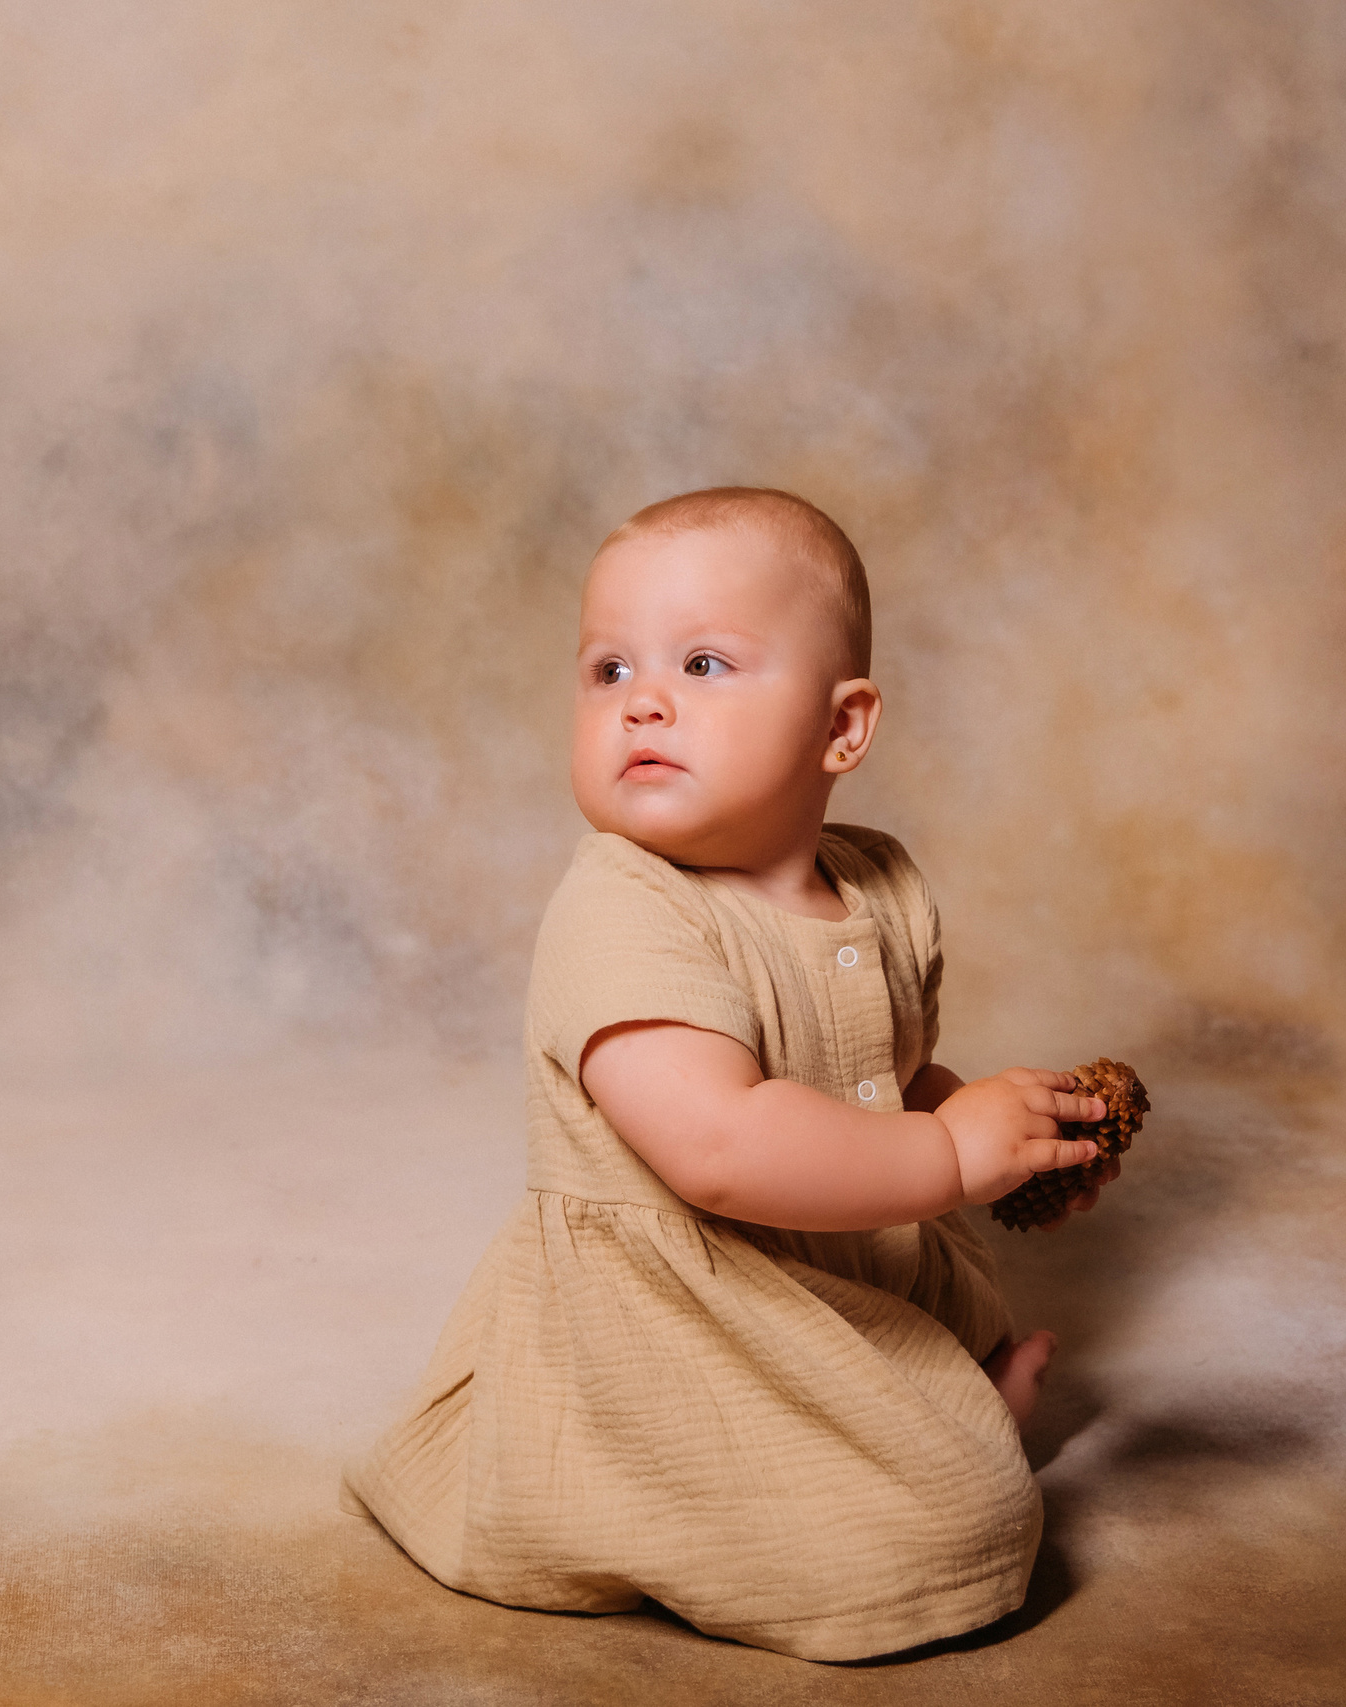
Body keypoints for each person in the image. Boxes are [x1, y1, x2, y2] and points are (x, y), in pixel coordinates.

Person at [340, 487, 1116, 1662]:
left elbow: (876, 1078)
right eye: (607, 671)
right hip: (681, 1317)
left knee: (940, 1323)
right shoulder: (620, 907)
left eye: (703, 664)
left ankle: (949, 1407)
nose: (642, 698)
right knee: (955, 1534)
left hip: (840, 1263)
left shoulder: (880, 887)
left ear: (842, 729)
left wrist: (984, 1119)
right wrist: (952, 1155)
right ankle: (957, 1450)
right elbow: (717, 1147)